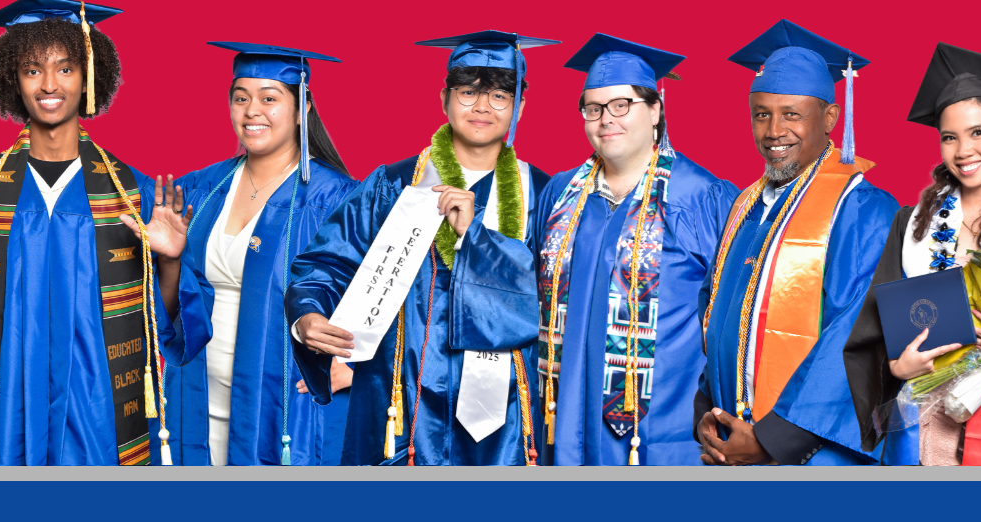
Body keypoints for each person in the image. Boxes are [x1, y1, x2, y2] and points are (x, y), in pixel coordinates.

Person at [0, 0, 170, 465]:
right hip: (5, 402)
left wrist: (169, 262)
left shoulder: (130, 190)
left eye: (66, 68)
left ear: (89, 74)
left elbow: (167, 322)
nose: (49, 85)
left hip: (97, 412)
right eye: (32, 70)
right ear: (12, 79)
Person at [287, 31, 556, 465]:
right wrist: (307, 315)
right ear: (444, 99)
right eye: (468, 92)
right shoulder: (395, 185)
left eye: (500, 95)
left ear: (520, 106)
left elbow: (559, 298)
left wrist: (477, 240)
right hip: (400, 393)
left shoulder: (544, 195)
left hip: (504, 412)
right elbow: (326, 263)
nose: (483, 107)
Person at [695, 20, 901, 466]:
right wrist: (707, 409)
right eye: (762, 113)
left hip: (812, 454)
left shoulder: (861, 209)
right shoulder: (746, 205)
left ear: (830, 117)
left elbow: (857, 334)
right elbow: (716, 310)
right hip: (733, 443)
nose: (774, 131)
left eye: (792, 114)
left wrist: (771, 440)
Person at [530, 34, 735, 465]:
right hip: (561, 424)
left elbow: (733, 318)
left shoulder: (702, 198)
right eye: (593, 108)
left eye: (622, 105)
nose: (606, 119)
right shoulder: (560, 195)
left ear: (656, 109)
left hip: (665, 434)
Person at [154, 42, 359, 466]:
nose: (252, 111)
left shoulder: (334, 197)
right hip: (197, 391)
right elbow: (174, 306)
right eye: (241, 98)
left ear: (302, 108)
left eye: (269, 98)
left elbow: (381, 290)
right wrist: (170, 260)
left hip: (282, 398)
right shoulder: (202, 189)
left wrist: (358, 366)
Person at [844, 44, 981, 465]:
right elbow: (873, 333)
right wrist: (897, 370)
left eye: (978, 133)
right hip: (921, 422)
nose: (963, 150)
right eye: (949, 137)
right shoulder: (912, 225)